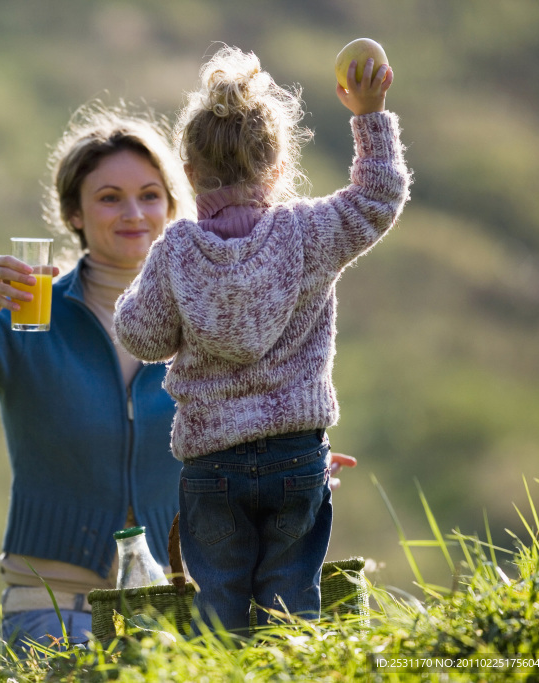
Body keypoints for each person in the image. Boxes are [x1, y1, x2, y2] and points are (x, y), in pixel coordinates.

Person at [113, 45, 411, 633]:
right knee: (291, 601)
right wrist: (370, 113)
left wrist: (140, 291)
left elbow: (141, 336)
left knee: (220, 608)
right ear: (277, 169)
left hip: (211, 461)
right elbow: (379, 198)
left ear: (190, 172)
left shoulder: (175, 252)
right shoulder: (310, 232)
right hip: (297, 456)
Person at [0, 102, 193, 648]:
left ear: (171, 207)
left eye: (150, 195)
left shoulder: (202, 319)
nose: (134, 213)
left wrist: (294, 460)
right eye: (108, 197)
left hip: (175, 607)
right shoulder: (28, 316)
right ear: (74, 213)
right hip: (52, 609)